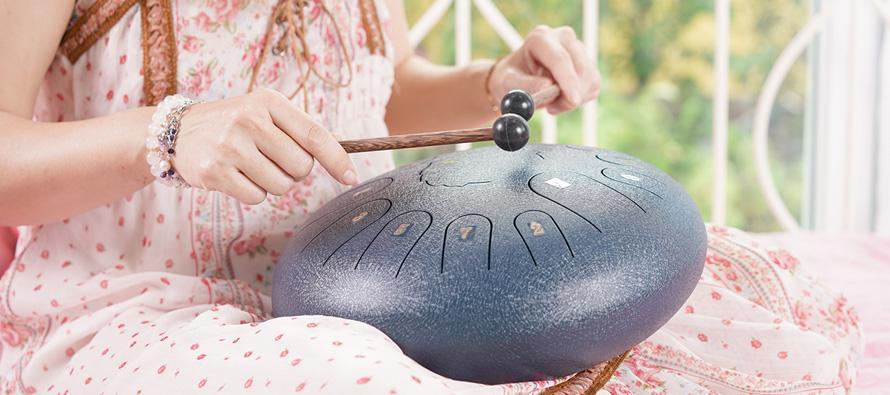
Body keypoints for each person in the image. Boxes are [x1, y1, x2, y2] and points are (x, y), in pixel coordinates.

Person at [0, 1, 861, 393]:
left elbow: (386, 88)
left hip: (377, 287)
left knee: (744, 300)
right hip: (139, 308)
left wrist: (493, 80)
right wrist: (168, 132)